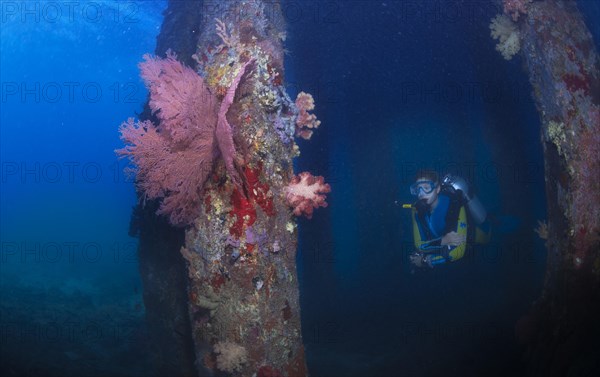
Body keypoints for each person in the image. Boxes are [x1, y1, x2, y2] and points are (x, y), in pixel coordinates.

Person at [408, 170, 491, 268]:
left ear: (437, 189)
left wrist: (424, 260)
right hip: (446, 250)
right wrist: (443, 240)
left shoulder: (454, 204)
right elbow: (419, 245)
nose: (421, 194)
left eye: (426, 188)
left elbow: (457, 252)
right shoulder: (416, 211)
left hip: (478, 237)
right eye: (418, 189)